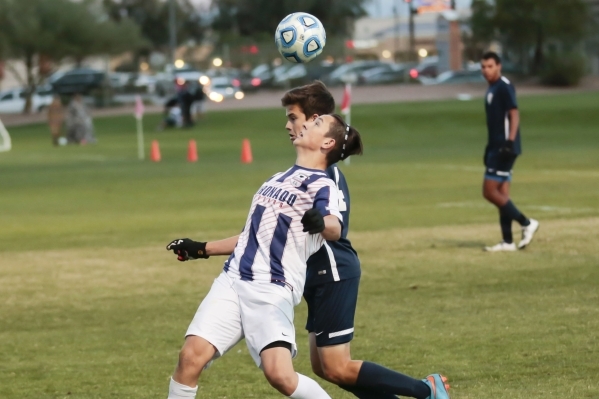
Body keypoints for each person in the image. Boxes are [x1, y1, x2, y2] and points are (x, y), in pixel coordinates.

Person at [165, 113, 364, 399]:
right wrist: (201, 248)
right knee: (190, 358)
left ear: (327, 143)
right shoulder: (277, 178)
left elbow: (334, 226)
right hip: (232, 281)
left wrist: (320, 223)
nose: (307, 123)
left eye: (317, 124)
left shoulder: (322, 185)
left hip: (271, 289)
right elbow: (252, 237)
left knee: (280, 375)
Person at [281, 81, 449, 399]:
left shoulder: (324, 172)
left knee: (337, 366)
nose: (288, 125)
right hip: (315, 276)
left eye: (293, 117)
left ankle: (426, 390)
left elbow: (335, 227)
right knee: (325, 367)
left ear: (314, 120)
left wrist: (319, 222)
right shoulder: (304, 169)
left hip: (333, 272)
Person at [480, 52, 539, 252]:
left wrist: (509, 142)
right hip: (496, 146)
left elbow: (514, 114)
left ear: (499, 66)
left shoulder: (504, 86)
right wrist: (489, 147)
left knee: (489, 192)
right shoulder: (492, 88)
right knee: (502, 193)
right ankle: (507, 241)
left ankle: (526, 223)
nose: (486, 70)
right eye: (483, 67)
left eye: (490, 66)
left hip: (504, 148)